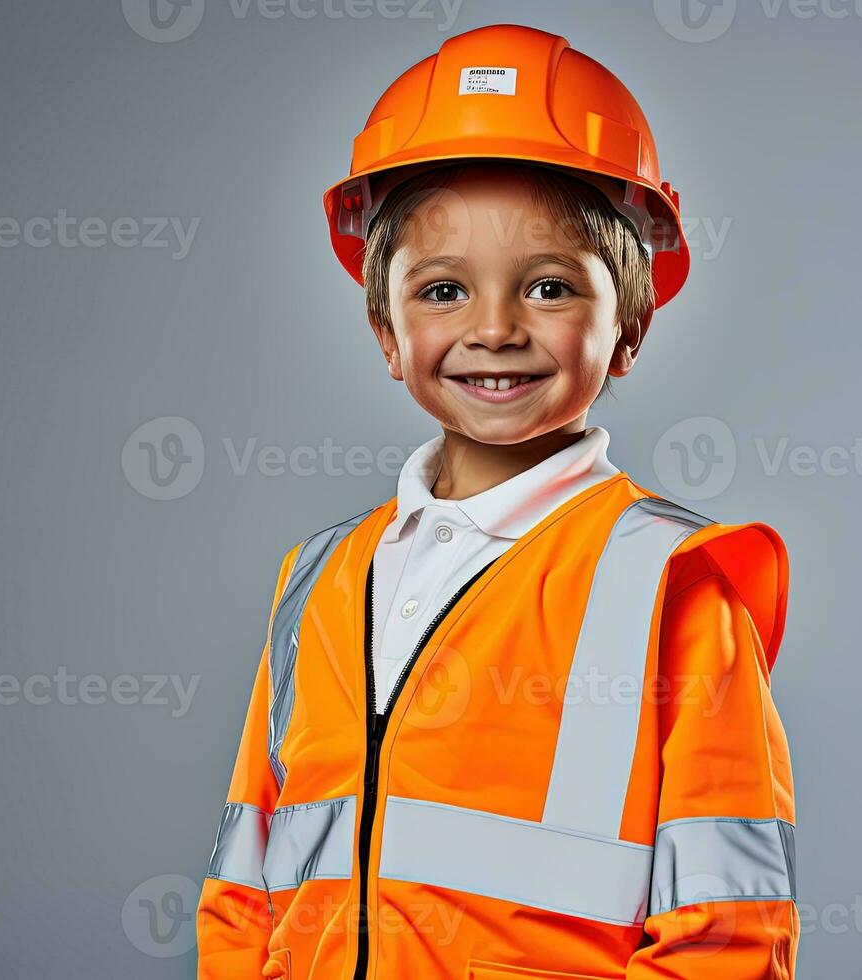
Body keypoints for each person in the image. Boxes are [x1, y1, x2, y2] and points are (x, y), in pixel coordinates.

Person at [196, 23, 798, 980]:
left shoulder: (673, 586)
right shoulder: (316, 578)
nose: (494, 328)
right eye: (442, 290)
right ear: (386, 334)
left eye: (550, 287)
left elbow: (729, 931)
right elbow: (244, 887)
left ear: (629, 329)